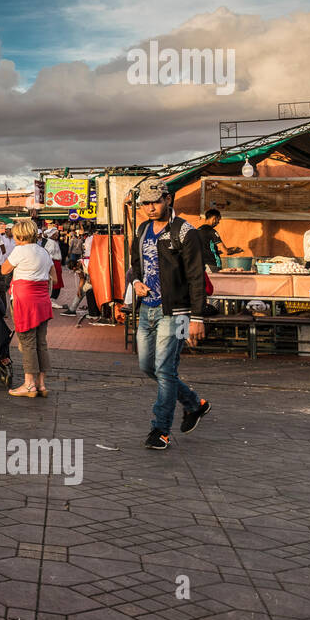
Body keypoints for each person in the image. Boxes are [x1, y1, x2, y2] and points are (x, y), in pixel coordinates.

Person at [126, 180, 210, 450]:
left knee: (165, 369)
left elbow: (197, 278)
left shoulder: (186, 232)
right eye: (145, 204)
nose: (150, 208)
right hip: (147, 309)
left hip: (179, 313)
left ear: (168, 199)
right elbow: (135, 265)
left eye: (155, 202)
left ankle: (160, 430)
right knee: (147, 367)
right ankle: (194, 403)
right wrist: (136, 282)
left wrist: (197, 318)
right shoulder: (141, 229)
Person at [2, 219, 56, 397]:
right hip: (42, 300)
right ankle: (41, 383)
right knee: (41, 342)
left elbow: (4, 270)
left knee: (27, 343)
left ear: (20, 234)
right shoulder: (44, 251)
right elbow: (53, 277)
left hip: (24, 299)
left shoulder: (20, 250)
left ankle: (29, 384)